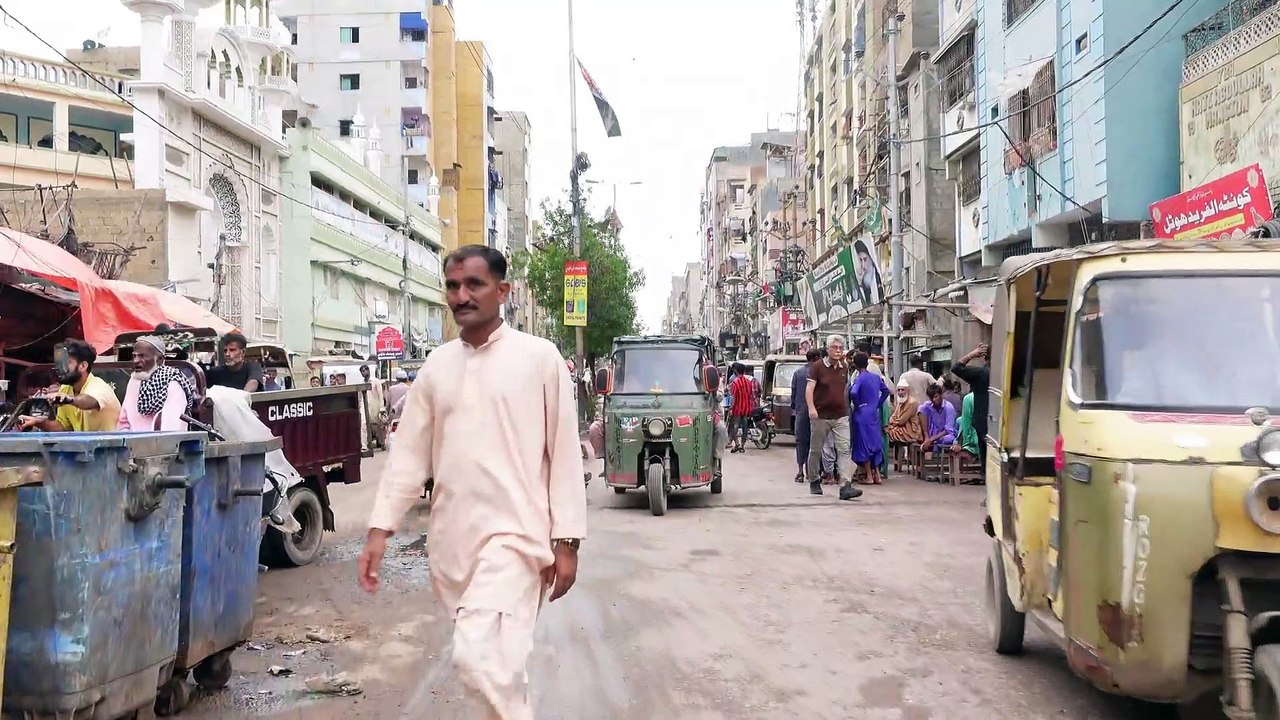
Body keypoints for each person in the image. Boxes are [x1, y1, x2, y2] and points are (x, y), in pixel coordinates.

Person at [358, 244, 586, 720]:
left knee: (477, 657)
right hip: (453, 545)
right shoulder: (437, 367)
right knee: (497, 671)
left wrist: (567, 540)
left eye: (474, 285)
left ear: (503, 291)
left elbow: (564, 452)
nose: (461, 296)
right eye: (453, 286)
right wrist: (381, 527)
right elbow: (409, 454)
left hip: (518, 540)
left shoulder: (539, 358)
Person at [19, 339, 120, 432]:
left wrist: (69, 399)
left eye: (66, 363)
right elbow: (61, 426)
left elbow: (90, 401)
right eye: (58, 363)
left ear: (83, 366)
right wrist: (37, 422)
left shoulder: (98, 387)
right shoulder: (66, 389)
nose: (59, 368)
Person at [805, 335, 859, 498]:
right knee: (816, 450)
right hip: (820, 415)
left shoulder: (844, 367)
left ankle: (845, 486)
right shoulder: (817, 367)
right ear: (827, 349)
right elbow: (809, 389)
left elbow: (844, 390)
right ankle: (814, 480)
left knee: (843, 450)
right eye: (835, 347)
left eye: (840, 348)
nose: (838, 351)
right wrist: (811, 408)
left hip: (840, 415)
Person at [119, 336, 196, 432]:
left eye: (142, 356)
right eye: (134, 356)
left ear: (160, 359)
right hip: (132, 440)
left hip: (163, 440)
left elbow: (171, 429)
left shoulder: (172, 383)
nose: (136, 361)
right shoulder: (134, 381)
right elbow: (123, 423)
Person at [849, 352, 890, 486]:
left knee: (863, 443)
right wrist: (877, 404)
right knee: (874, 442)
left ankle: (868, 475)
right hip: (873, 412)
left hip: (862, 413)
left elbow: (854, 392)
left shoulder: (859, 378)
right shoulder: (876, 377)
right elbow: (886, 391)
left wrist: (858, 404)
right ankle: (877, 474)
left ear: (855, 365)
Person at [951, 343, 991, 467]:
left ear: (985, 358)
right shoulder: (1006, 374)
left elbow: (956, 368)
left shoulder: (981, 374)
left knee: (986, 458)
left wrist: (972, 355)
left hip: (984, 422)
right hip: (1002, 422)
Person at [790, 348, 821, 483]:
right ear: (817, 358)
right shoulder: (819, 373)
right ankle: (811, 472)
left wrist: (795, 408)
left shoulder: (798, 373)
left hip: (801, 411)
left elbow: (793, 394)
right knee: (814, 442)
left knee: (801, 442)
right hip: (816, 412)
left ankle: (800, 471)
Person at [918, 383, 958, 452]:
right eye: (931, 398)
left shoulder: (948, 407)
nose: (934, 400)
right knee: (921, 408)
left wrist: (931, 440)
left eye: (936, 397)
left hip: (945, 435)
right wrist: (927, 437)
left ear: (941, 395)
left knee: (949, 439)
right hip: (932, 433)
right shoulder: (928, 405)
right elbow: (921, 411)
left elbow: (948, 430)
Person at [886, 378, 924, 446]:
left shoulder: (911, 402)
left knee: (886, 432)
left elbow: (901, 421)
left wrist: (890, 424)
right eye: (899, 390)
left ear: (908, 391)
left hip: (911, 431)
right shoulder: (900, 401)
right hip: (901, 428)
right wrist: (890, 423)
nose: (900, 392)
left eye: (902, 390)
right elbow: (894, 416)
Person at [728, 363, 756, 453]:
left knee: (734, 426)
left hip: (737, 408)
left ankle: (737, 443)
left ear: (736, 371)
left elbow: (734, 397)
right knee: (745, 427)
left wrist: (731, 408)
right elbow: (751, 395)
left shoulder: (735, 383)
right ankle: (742, 445)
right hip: (746, 408)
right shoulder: (748, 382)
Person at [359, 364, 386, 452]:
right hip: (365, 407)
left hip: (375, 407)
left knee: (379, 426)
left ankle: (382, 443)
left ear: (368, 371)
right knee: (363, 425)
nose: (364, 372)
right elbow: (360, 397)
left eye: (365, 370)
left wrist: (382, 408)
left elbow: (380, 395)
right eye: (362, 371)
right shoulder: (361, 383)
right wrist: (360, 407)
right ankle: (364, 445)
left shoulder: (375, 381)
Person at [957, 390, 981, 460]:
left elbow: (966, 422)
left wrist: (965, 444)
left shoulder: (968, 398)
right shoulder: (993, 396)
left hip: (975, 442)